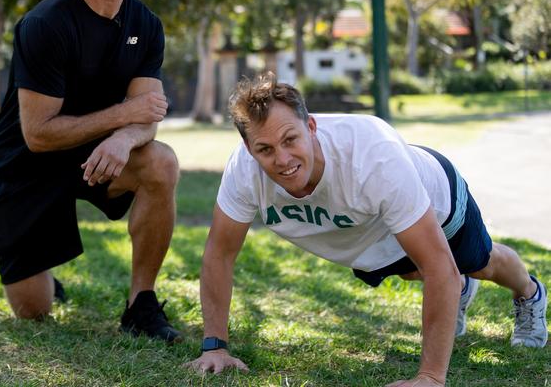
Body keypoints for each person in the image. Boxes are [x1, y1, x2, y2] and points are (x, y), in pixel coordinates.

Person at [185, 73, 547, 385]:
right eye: (264, 149)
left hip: (434, 199)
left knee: (477, 263)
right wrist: (214, 346)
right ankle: (456, 290)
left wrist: (430, 378)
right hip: (369, 228)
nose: (282, 159)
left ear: (311, 127)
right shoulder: (243, 173)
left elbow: (440, 267)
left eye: (290, 140)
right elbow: (220, 253)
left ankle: (529, 293)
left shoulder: (372, 158)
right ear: (248, 149)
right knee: (412, 271)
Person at [0, 0, 181, 343]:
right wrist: (123, 117)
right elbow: (38, 135)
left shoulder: (146, 25)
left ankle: (141, 303)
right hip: (25, 167)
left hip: (95, 158)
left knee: (161, 163)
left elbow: (146, 115)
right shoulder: (45, 24)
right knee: (34, 313)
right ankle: (44, 278)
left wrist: (125, 139)